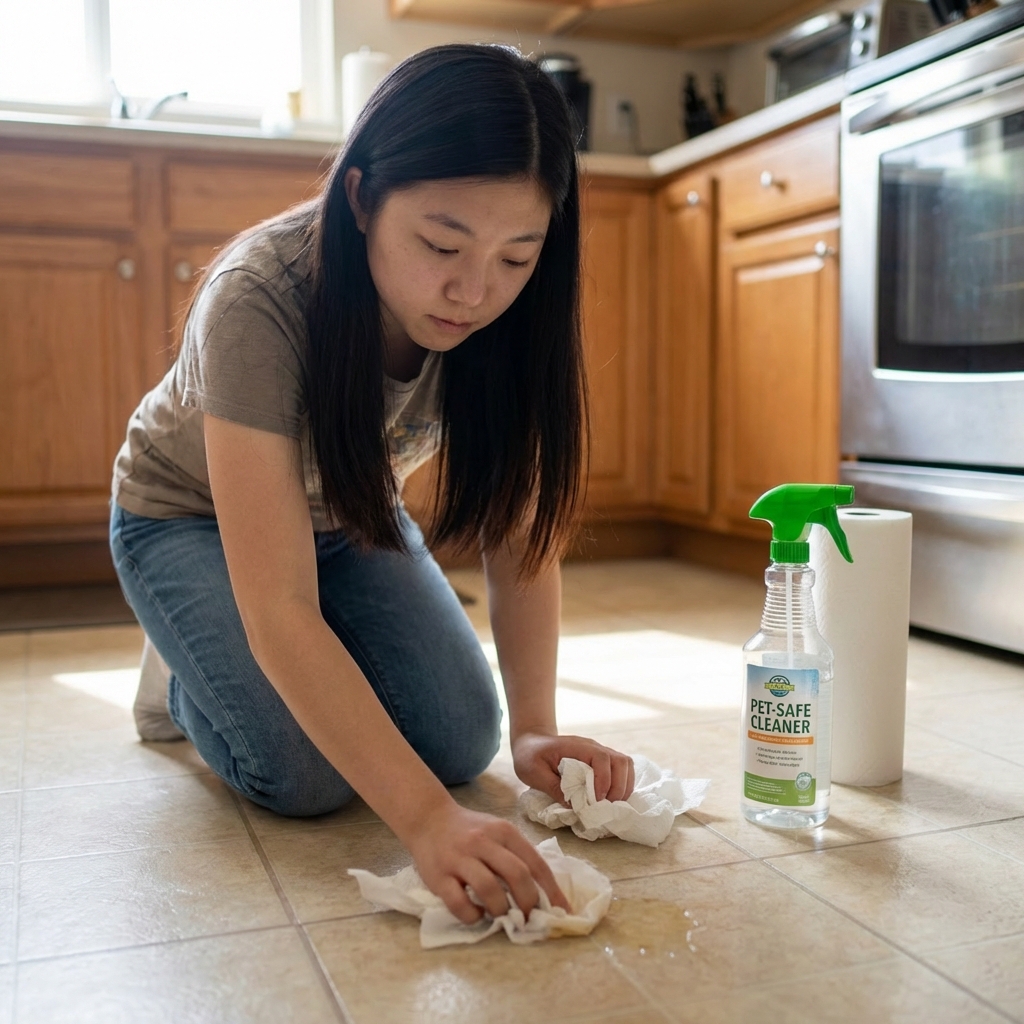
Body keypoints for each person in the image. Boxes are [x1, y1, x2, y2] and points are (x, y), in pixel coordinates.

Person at [109, 43, 635, 927]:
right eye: (441, 243)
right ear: (359, 197)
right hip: (187, 519)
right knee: (300, 772)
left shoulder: (513, 313)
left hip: (349, 511)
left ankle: (240, 645)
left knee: (463, 737)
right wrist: (427, 822)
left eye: (516, 256)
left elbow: (516, 528)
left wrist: (535, 727)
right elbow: (280, 605)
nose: (474, 290)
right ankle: (184, 664)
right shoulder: (259, 296)